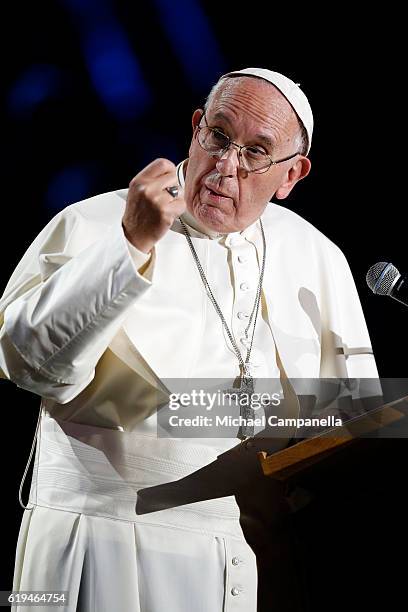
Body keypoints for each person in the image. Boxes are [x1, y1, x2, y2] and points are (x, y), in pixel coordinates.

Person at [0, 68, 379, 611]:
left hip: (242, 555)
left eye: (255, 152)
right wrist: (130, 246)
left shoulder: (317, 258)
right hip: (97, 541)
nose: (226, 167)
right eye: (219, 137)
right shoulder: (97, 222)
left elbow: (354, 421)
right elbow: (27, 362)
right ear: (196, 127)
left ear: (292, 174)